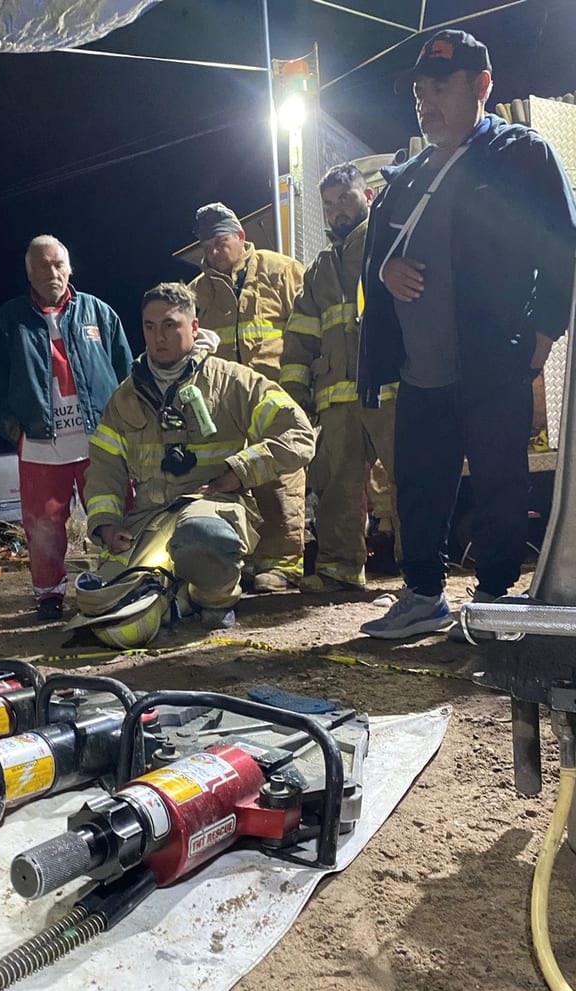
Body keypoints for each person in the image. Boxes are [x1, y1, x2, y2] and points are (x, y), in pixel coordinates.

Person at [357, 29, 576, 640]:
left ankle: (494, 599)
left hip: (492, 359)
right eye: (420, 91)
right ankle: (423, 593)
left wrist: (544, 330)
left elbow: (563, 245)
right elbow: (381, 257)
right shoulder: (403, 177)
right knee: (419, 485)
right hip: (421, 372)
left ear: (482, 86)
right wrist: (384, 270)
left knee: (500, 480)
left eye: (441, 87)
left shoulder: (518, 154)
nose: (427, 102)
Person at [78, 281, 315, 647]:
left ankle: (213, 600)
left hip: (212, 507)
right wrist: (107, 525)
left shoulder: (233, 381)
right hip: (149, 519)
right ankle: (177, 597)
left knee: (205, 537)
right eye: (149, 326)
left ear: (194, 327)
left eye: (170, 325)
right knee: (105, 605)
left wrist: (239, 472)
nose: (159, 337)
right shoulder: (126, 397)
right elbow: (105, 466)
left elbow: (299, 434)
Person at [0, 235, 132, 621]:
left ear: (70, 267)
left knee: (118, 510)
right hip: (40, 445)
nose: (52, 272)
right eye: (43, 266)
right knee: (44, 524)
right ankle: (49, 595)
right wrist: (15, 430)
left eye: (58, 264)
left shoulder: (99, 313)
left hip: (99, 441)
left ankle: (129, 580)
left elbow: (126, 373)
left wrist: (128, 425)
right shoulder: (8, 321)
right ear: (29, 272)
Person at [282, 163, 400, 593]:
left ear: (366, 197)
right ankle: (339, 571)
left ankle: (423, 571)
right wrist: (296, 395)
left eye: (345, 199)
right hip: (337, 401)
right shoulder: (319, 272)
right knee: (337, 485)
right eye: (329, 204)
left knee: (408, 478)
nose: (337, 211)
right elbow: (299, 339)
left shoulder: (389, 245)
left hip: (390, 390)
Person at [189, 202, 307, 592]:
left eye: (220, 242)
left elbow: (307, 330)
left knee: (280, 478)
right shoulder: (196, 292)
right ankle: (245, 560)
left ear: (240, 237)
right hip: (226, 405)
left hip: (277, 396)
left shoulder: (282, 271)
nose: (213, 252)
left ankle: (284, 564)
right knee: (232, 479)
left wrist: (301, 387)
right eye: (206, 245)